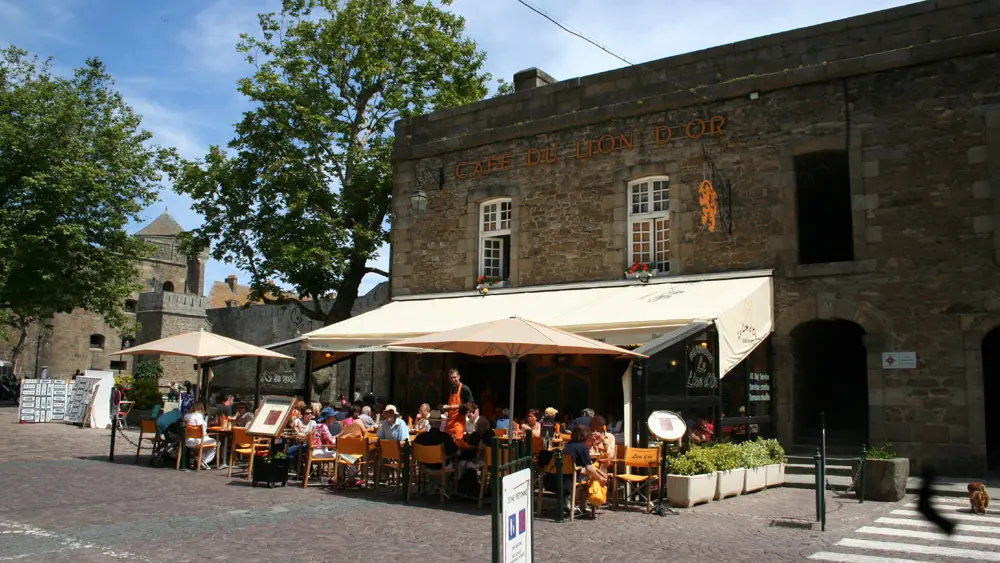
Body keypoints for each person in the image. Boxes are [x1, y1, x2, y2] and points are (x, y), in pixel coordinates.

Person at [550, 425, 607, 516]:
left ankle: (572, 505)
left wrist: (600, 474)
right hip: (571, 479)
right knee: (588, 481)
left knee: (586, 473)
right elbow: (589, 468)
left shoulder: (568, 445)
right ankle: (583, 507)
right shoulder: (583, 447)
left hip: (556, 478)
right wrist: (601, 478)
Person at [182, 403, 217, 469]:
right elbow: (202, 429)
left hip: (187, 441)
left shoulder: (186, 416)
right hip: (198, 441)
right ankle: (203, 460)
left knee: (208, 444)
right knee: (215, 442)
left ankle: (200, 458)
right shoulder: (198, 416)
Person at [442, 368, 474, 440]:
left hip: (458, 423)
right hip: (449, 423)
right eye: (451, 378)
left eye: (454, 377)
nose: (453, 379)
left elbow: (471, 405)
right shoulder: (451, 389)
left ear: (459, 376)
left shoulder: (465, 389)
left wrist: (453, 407)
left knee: (457, 444)